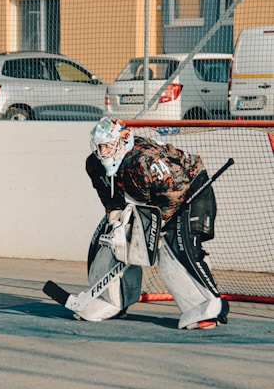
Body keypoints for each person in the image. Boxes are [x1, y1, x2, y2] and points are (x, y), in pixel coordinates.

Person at [80, 117, 229, 330]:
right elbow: (110, 197)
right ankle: (111, 299)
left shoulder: (144, 159)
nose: (102, 152)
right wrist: (116, 220)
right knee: (113, 241)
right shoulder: (94, 164)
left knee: (176, 248)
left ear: (121, 142)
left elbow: (174, 193)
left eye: (107, 145)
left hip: (190, 190)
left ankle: (207, 306)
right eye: (99, 146)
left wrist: (157, 229)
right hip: (156, 200)